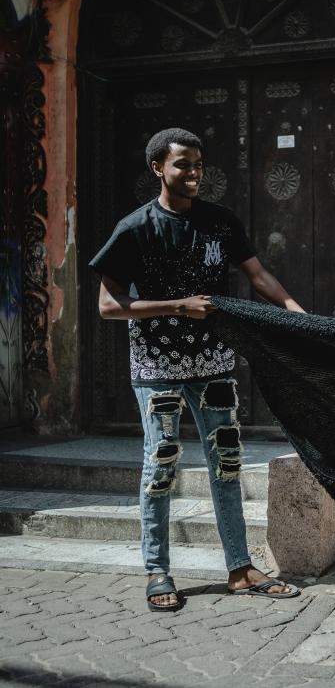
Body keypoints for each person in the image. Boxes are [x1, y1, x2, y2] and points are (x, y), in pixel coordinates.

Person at [89, 128, 307, 612]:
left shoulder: (220, 222)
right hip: (156, 367)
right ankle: (157, 570)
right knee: (160, 465)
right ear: (157, 169)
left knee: (226, 467)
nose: (193, 174)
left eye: (198, 166)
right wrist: (177, 306)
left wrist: (295, 310)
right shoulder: (135, 228)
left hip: (214, 364)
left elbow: (258, 275)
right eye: (182, 165)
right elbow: (108, 305)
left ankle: (239, 568)